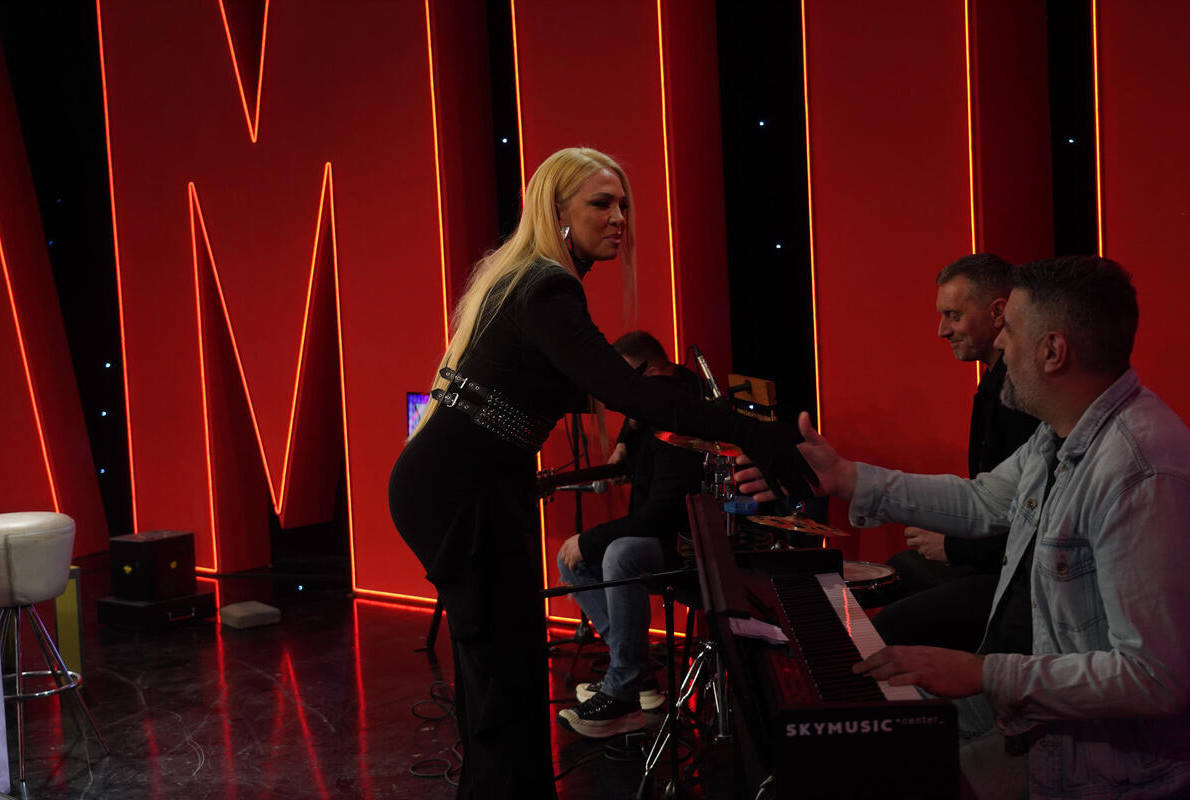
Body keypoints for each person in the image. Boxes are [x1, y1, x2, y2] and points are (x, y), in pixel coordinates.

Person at [388, 147, 811, 799]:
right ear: (557, 211)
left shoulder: (526, 281)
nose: (619, 218)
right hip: (462, 493)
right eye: (601, 203)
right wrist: (756, 432)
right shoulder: (547, 287)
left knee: (498, 675)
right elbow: (629, 390)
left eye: (623, 205)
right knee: (505, 678)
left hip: (465, 488)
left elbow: (611, 391)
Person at [740, 256, 1190, 799]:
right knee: (858, 748)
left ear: (1053, 351)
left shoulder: (1139, 472)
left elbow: (1154, 677)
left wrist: (982, 673)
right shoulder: (1059, 434)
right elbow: (981, 500)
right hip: (1046, 720)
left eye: (1010, 331)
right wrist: (845, 477)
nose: (999, 344)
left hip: (1105, 765)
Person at [872, 254, 1039, 653]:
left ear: (997, 313)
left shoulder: (1023, 397)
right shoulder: (993, 386)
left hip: (1018, 579)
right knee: (894, 571)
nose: (941, 330)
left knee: (888, 626)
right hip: (988, 558)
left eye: (953, 315)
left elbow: (1025, 526)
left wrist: (952, 546)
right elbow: (988, 497)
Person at [554, 330, 704, 738]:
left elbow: (661, 515)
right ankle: (639, 679)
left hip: (687, 543)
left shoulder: (677, 413)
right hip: (663, 531)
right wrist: (623, 442)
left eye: (625, 383)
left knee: (616, 554)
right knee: (572, 561)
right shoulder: (659, 395)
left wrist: (589, 539)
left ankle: (622, 690)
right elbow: (636, 417)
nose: (620, 396)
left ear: (649, 371)